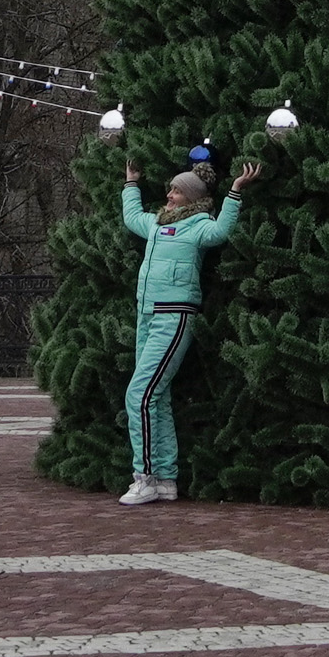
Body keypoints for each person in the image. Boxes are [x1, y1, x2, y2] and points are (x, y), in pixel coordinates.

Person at [117, 154, 261, 504]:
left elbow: (221, 232)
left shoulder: (199, 225)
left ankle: (145, 476)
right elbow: (132, 216)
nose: (169, 195)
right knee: (156, 395)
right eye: (170, 190)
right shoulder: (157, 223)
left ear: (193, 198)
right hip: (148, 314)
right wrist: (131, 183)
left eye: (177, 192)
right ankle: (166, 479)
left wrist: (235, 192)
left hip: (175, 314)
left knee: (140, 394)